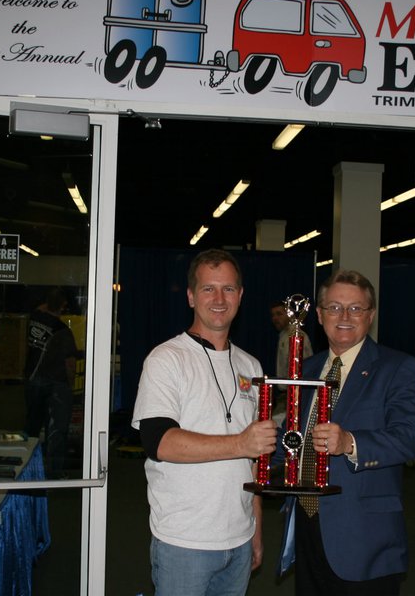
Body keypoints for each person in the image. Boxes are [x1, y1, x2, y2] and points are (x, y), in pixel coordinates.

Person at [132, 249, 277, 596]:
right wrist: (240, 443)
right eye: (208, 289)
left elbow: (254, 460)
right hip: (184, 541)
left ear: (240, 296)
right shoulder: (167, 359)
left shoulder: (252, 367)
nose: (218, 299)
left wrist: (255, 527)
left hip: (239, 538)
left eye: (228, 289)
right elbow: (159, 442)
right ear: (191, 296)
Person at [281, 269, 415, 595]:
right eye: (334, 307)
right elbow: (295, 437)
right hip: (306, 523)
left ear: (370, 316)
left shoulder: (397, 367)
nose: (344, 316)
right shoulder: (305, 369)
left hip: (364, 536)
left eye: (356, 308)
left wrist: (350, 442)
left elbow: (410, 438)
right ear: (319, 315)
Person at [23, 287, 77, 479]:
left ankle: (26, 469)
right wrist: (70, 386)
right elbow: (70, 364)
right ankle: (53, 472)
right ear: (63, 306)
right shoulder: (63, 331)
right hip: (57, 385)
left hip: (33, 380)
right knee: (56, 430)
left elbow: (40, 308)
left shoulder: (33, 319)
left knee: (32, 427)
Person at [271, 300, 314, 379]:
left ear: (289, 315)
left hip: (294, 388)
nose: (275, 318)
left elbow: (302, 368)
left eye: (279, 314)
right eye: (273, 315)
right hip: (285, 388)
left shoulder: (296, 336)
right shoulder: (283, 336)